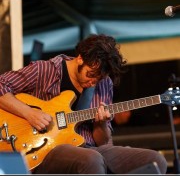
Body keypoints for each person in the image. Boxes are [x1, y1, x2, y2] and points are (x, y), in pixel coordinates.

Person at [0, 34, 167, 174]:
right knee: (91, 160)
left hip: (88, 147)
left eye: (99, 78)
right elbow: (2, 85)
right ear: (80, 59)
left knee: (155, 160)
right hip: (46, 149)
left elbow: (101, 142)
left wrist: (100, 124)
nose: (94, 81)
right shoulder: (45, 70)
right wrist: (29, 113)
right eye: (91, 74)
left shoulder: (104, 83)